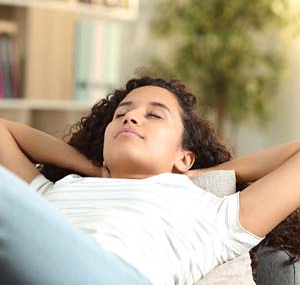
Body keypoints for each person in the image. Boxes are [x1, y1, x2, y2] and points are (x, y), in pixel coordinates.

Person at [0, 76, 300, 285]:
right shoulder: (60, 190)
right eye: (121, 114)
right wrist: (92, 168)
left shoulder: (211, 213)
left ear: (184, 156)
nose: (130, 119)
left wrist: (204, 173)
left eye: (154, 115)